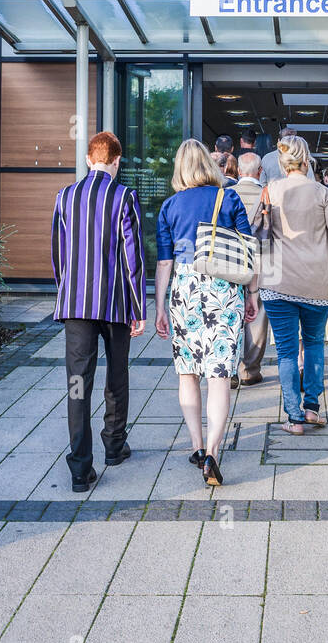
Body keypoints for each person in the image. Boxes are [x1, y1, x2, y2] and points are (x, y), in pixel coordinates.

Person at [155, 139, 260, 486]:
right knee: (219, 379)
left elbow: (164, 263)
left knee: (188, 374)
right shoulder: (228, 197)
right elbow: (248, 251)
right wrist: (252, 295)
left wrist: (159, 307)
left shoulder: (169, 207)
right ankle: (213, 453)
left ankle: (197, 446)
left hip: (184, 290)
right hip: (222, 288)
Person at [51, 131, 146, 492]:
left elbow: (58, 253)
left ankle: (79, 466)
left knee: (78, 382)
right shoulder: (124, 197)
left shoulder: (64, 197)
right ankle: (114, 445)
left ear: (90, 159)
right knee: (116, 374)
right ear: (116, 161)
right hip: (115, 303)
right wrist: (138, 306)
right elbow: (132, 256)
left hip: (75, 306)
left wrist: (66, 292)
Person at [260, 134, 328, 435]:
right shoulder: (322, 193)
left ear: (283, 162)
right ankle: (312, 409)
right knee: (313, 344)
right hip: (317, 281)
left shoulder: (270, 191)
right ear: (307, 160)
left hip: (277, 282)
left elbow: (258, 233)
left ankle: (294, 418)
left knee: (286, 351)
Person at [230, 151, 268, 387]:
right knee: (257, 315)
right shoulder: (267, 195)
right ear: (260, 171)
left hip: (230, 262)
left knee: (230, 311)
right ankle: (250, 370)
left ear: (238, 172)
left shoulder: (226, 194)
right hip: (262, 261)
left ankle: (229, 367)